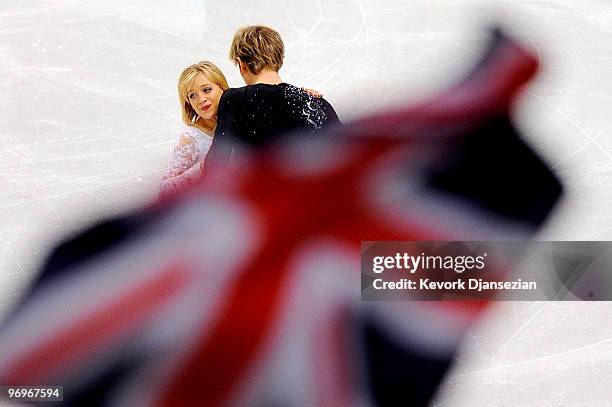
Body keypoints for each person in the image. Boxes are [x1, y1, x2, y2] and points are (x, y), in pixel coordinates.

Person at [208, 25, 341, 163]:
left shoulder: (236, 99)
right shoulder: (317, 103)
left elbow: (218, 162)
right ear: (279, 59)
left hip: (262, 183)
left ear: (241, 64)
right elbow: (343, 154)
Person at [159, 61, 228, 198]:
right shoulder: (190, 138)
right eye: (193, 95)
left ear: (222, 87)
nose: (201, 99)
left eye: (206, 90)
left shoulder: (238, 122)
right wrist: (203, 168)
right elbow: (165, 189)